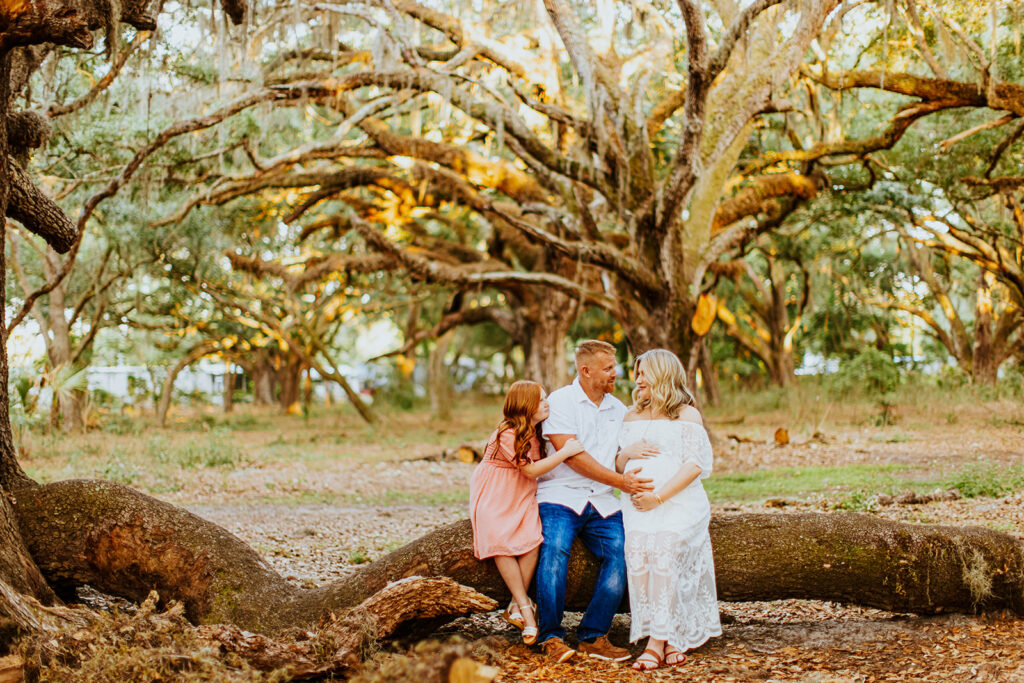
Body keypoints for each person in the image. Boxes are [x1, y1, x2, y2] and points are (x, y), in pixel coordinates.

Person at [535, 340, 654, 663]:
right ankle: (550, 636)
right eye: (607, 368)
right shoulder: (561, 401)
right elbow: (573, 458)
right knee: (555, 549)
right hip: (561, 495)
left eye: (614, 367)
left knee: (623, 551)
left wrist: (629, 460)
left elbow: (616, 457)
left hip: (602, 500)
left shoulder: (617, 409)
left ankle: (592, 635)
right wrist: (621, 483)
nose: (615, 373)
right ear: (585, 371)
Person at [616, 349, 722, 671]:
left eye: (644, 373)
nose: (638, 380)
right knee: (638, 550)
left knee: (664, 546)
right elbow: (618, 464)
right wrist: (627, 454)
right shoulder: (631, 416)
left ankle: (656, 642)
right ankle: (670, 636)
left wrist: (658, 497)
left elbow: (694, 466)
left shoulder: (687, 415)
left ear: (663, 374)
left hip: (679, 503)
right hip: (638, 506)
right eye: (637, 374)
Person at [469, 380, 584, 645]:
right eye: (541, 400)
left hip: (521, 489)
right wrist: (566, 452)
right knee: (500, 542)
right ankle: (527, 612)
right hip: (496, 488)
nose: (547, 404)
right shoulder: (507, 433)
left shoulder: (537, 430)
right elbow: (531, 469)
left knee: (533, 540)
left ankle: (514, 603)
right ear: (525, 405)